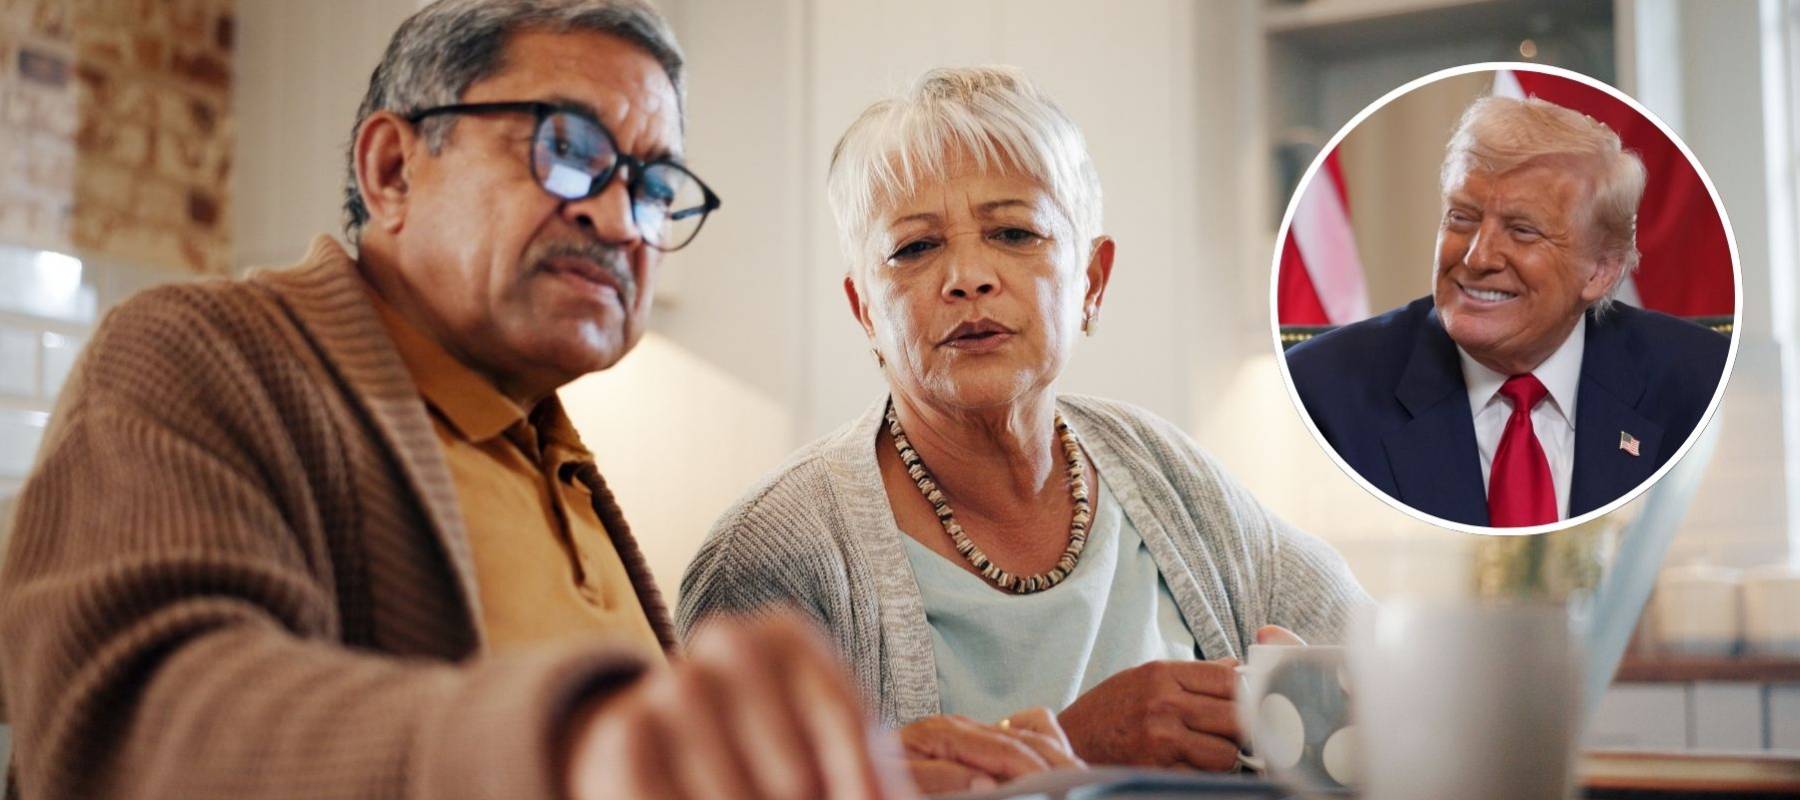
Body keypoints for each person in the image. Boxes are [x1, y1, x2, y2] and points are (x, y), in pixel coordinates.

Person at [0, 3, 1067, 797]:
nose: (620, 216)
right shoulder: (207, 353)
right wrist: (585, 736)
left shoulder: (550, 450)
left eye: (654, 184)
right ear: (392, 166)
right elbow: (135, 715)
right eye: (568, 148)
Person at [678, 66, 1369, 772]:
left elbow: (1383, 674)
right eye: (915, 248)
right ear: (865, 312)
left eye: (1014, 232)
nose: (967, 277)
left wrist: (1318, 712)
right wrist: (1068, 752)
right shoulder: (768, 560)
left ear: (1092, 284)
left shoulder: (1168, 473)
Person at [1284, 95, 1730, 529]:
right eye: (1462, 218)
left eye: (1521, 230)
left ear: (1600, 271)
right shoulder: (1323, 393)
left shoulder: (1700, 381)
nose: (1478, 258)